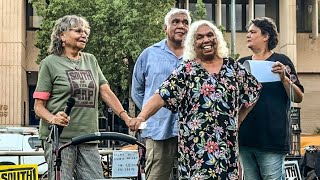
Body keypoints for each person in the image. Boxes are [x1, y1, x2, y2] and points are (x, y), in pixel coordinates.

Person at [129, 20, 262, 179]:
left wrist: (239, 119)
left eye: (210, 35)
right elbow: (161, 95)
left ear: (217, 39)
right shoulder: (186, 71)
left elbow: (253, 91)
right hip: (195, 150)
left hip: (226, 149)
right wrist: (142, 116)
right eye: (199, 37)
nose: (206, 40)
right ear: (193, 44)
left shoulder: (233, 68)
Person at [33, 15, 131, 179]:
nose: (84, 34)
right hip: (60, 139)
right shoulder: (49, 63)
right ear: (62, 35)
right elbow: (38, 106)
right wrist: (53, 118)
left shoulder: (91, 60)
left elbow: (105, 92)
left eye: (86, 31)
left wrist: (126, 117)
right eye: (78, 30)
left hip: (89, 136)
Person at [238, 17, 304, 180]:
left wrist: (283, 78)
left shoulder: (281, 61)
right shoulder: (241, 63)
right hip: (245, 140)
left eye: (253, 32)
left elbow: (298, 97)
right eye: (248, 32)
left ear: (266, 36)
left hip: (271, 140)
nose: (248, 35)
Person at [131, 8, 191, 179]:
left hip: (192, 131)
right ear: (165, 28)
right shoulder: (149, 54)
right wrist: (152, 113)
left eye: (185, 22)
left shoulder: (197, 56)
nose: (181, 26)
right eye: (176, 22)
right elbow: (137, 90)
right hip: (158, 130)